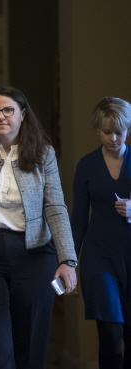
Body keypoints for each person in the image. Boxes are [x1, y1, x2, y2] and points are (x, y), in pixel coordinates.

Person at [0, 86, 78, 369]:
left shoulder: (43, 154)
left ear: (22, 114)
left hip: (33, 254)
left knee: (30, 342)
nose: (1, 116)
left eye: (8, 110)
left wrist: (67, 259)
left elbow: (55, 207)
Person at [71, 97, 131, 369]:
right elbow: (79, 219)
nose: (114, 138)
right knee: (110, 334)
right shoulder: (86, 165)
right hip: (99, 258)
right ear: (98, 129)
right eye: (107, 131)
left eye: (120, 131)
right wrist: (69, 262)